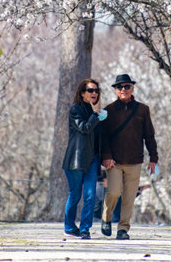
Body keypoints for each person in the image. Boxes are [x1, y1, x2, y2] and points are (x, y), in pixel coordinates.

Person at [101, 73, 158, 240]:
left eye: (127, 86)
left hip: (135, 161)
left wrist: (153, 159)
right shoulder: (108, 110)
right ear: (115, 90)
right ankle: (106, 218)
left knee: (129, 197)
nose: (123, 89)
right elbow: (103, 137)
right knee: (113, 192)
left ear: (132, 88)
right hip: (114, 161)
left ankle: (123, 229)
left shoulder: (142, 109)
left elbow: (149, 135)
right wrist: (106, 156)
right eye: (120, 87)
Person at [62, 78, 107, 239]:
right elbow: (85, 128)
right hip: (76, 160)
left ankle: (85, 229)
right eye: (90, 90)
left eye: (96, 91)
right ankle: (69, 226)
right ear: (82, 94)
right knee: (75, 195)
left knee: (90, 195)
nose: (94, 93)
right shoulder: (75, 110)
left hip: (93, 159)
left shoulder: (98, 112)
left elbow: (101, 136)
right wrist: (95, 114)